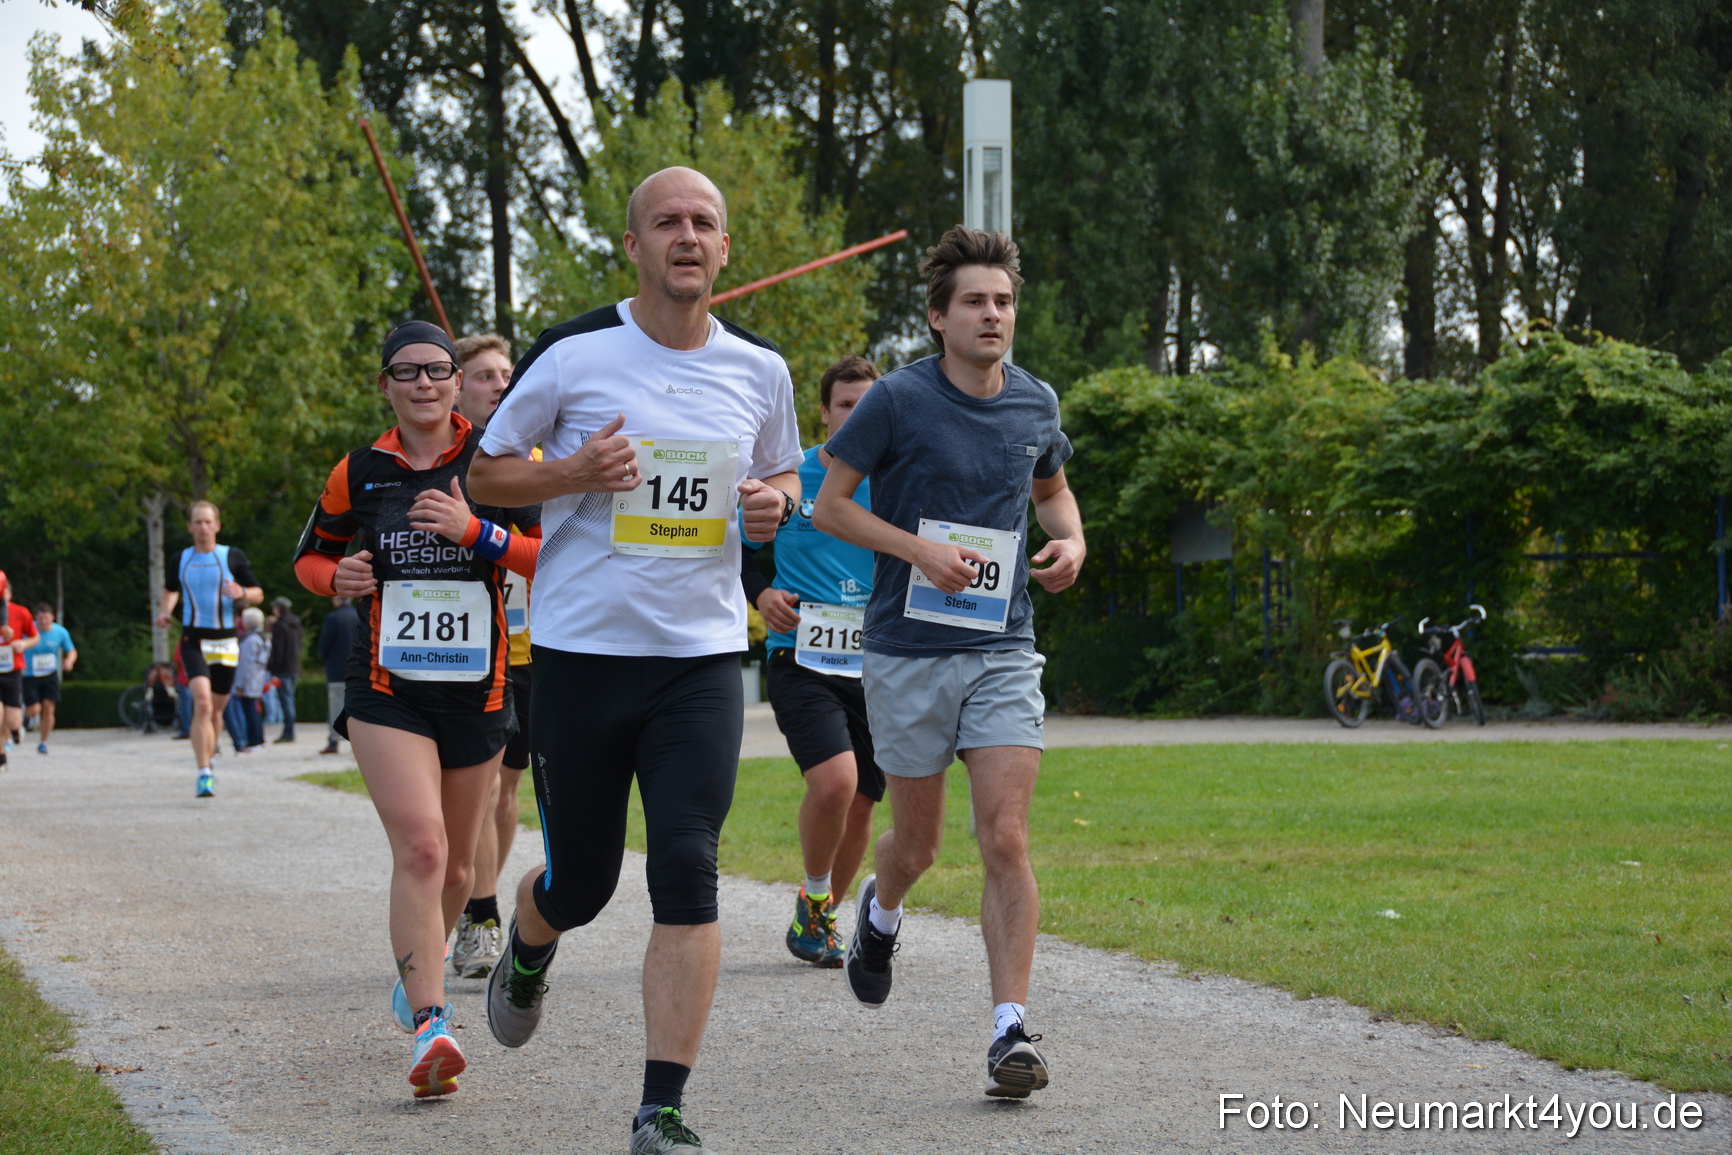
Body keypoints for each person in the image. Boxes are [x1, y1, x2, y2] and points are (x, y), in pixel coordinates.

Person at [468, 165, 802, 1154]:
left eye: (704, 222)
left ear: (725, 248)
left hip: (698, 660)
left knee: (689, 867)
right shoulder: (574, 354)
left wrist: (770, 503)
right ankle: (530, 945)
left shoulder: (760, 369)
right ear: (635, 245)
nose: (686, 236)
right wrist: (573, 472)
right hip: (580, 657)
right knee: (584, 883)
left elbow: (780, 470)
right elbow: (484, 471)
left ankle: (662, 1109)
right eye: (667, 222)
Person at [813, 225, 1085, 1100]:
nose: (992, 314)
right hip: (908, 648)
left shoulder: (1035, 402)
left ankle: (1011, 1029)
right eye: (974, 301)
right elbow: (830, 508)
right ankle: (879, 910)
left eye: (1003, 301)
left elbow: (1050, 490)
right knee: (918, 844)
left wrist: (1072, 539)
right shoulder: (896, 399)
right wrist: (919, 554)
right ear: (938, 316)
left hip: (1002, 644)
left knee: (1004, 833)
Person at [293, 320, 540, 1100]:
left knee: (462, 867)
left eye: (438, 370)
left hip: (478, 692)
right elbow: (309, 556)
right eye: (408, 372)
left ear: (458, 381)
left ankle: (416, 969)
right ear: (386, 385)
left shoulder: (495, 463)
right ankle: (432, 1023)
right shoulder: (359, 471)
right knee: (425, 849)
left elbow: (552, 555)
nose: (425, 383)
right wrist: (338, 580)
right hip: (387, 691)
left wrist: (479, 532)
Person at [741, 355, 884, 967]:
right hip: (801, 653)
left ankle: (817, 917)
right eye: (846, 405)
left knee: (863, 801)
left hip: (879, 660)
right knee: (835, 782)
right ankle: (820, 898)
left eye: (869, 405)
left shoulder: (900, 481)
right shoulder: (790, 478)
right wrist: (762, 593)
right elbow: (742, 549)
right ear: (823, 413)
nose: (856, 415)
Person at [449, 332, 533, 980]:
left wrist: (485, 536)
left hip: (530, 647)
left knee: (507, 789)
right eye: (484, 376)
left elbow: (544, 553)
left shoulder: (534, 456)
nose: (499, 384)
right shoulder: (440, 460)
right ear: (457, 385)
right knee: (476, 793)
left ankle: (484, 903)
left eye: (506, 373)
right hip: (465, 651)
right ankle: (479, 913)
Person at [156, 501, 264, 798]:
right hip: (194, 641)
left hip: (227, 642)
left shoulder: (231, 556)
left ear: (217, 525)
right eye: (197, 522)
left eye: (208, 522)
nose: (203, 527)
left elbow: (258, 593)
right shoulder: (181, 559)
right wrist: (166, 611)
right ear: (190, 527)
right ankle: (203, 772)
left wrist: (241, 592)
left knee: (216, 712)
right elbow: (170, 589)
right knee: (202, 704)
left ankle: (210, 755)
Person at [22, 603, 77, 754]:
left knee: (48, 708)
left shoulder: (60, 632)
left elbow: (71, 651)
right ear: (36, 619)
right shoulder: (28, 629)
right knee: (34, 709)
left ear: (52, 617)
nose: (44, 622)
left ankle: (43, 742)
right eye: (40, 619)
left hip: (49, 675)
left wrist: (69, 661)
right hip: (30, 674)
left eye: (46, 618)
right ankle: (26, 716)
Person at [0, 572, 40, 769]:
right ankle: (1, 757)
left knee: (12, 720)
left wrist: (22, 644)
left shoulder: (21, 612)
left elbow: (35, 636)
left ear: (10, 593)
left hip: (12, 671)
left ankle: (17, 729)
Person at [316, 595, 359, 755]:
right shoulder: (358, 615)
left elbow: (324, 645)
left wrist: (325, 659)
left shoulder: (333, 618)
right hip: (359, 669)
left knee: (336, 705)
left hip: (337, 669)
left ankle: (334, 741)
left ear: (336, 600)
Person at [233, 606, 271, 752]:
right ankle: (258, 738)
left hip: (249, 680)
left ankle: (253, 739)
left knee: (250, 711)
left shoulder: (250, 640)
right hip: (258, 677)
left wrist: (240, 684)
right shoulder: (264, 637)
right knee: (254, 709)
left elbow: (246, 664)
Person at [268, 595, 303, 743]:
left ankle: (288, 732)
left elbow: (278, 649)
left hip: (283, 668)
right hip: (294, 665)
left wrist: (273, 669)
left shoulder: (279, 625)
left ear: (278, 609)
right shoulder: (296, 622)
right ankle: (290, 730)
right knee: (290, 699)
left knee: (285, 701)